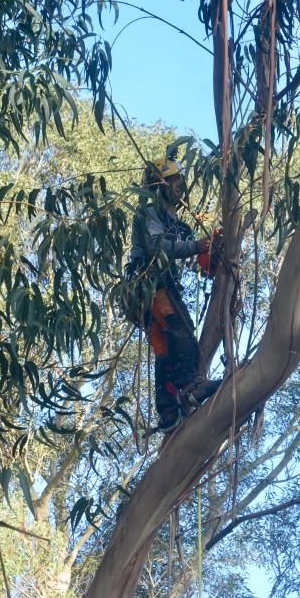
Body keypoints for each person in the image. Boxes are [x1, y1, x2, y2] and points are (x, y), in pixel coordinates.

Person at [125, 157, 221, 432]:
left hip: (162, 284)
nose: (180, 187)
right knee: (179, 329)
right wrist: (195, 245)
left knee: (164, 348)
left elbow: (193, 258)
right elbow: (157, 247)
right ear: (160, 185)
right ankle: (191, 385)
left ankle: (168, 412)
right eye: (175, 181)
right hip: (148, 281)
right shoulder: (148, 213)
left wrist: (211, 251)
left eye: (181, 181)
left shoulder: (179, 224)